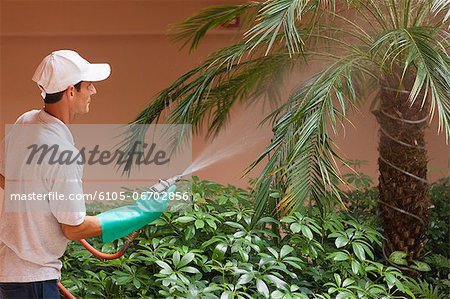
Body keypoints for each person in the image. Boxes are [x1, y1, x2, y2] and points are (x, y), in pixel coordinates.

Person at [0, 50, 172, 299]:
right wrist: (139, 214)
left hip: (10, 272)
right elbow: (73, 228)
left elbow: (3, 176)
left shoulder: (26, 122)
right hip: (33, 281)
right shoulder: (62, 152)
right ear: (71, 91)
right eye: (88, 85)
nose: (94, 91)